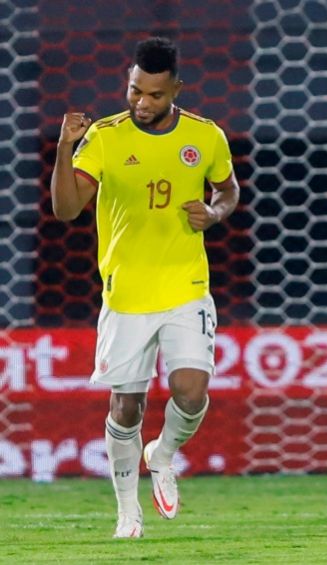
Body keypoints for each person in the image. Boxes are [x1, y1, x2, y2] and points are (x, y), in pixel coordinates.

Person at [50, 37, 239, 538]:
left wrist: (215, 212)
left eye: (154, 95)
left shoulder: (207, 136)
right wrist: (65, 148)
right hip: (127, 295)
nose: (142, 103)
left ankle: (164, 454)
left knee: (192, 392)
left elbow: (228, 188)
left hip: (186, 287)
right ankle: (126, 511)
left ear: (176, 88)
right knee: (125, 407)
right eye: (135, 91)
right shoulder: (106, 137)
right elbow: (66, 209)